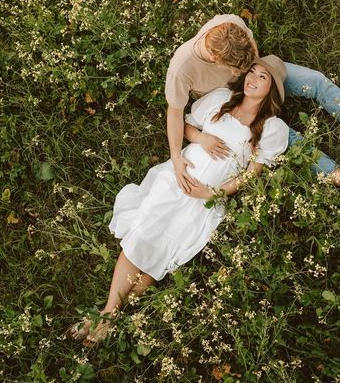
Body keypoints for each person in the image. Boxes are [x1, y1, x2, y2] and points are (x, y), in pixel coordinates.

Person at [68, 56, 289, 345]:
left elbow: (250, 176)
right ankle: (109, 314)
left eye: (262, 77)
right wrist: (201, 139)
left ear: (271, 90)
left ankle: (107, 317)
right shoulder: (222, 98)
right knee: (142, 235)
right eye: (252, 72)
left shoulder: (271, 128)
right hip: (177, 177)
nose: (253, 79)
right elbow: (185, 126)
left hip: (205, 197)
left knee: (162, 252)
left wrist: (211, 194)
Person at [165, 14, 340, 213]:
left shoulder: (232, 25)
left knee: (316, 81)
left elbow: (250, 52)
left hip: (260, 74)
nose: (239, 71)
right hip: (233, 98)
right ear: (214, 58)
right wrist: (177, 156)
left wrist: (256, 70)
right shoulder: (182, 69)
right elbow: (175, 113)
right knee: (290, 140)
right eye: (235, 68)